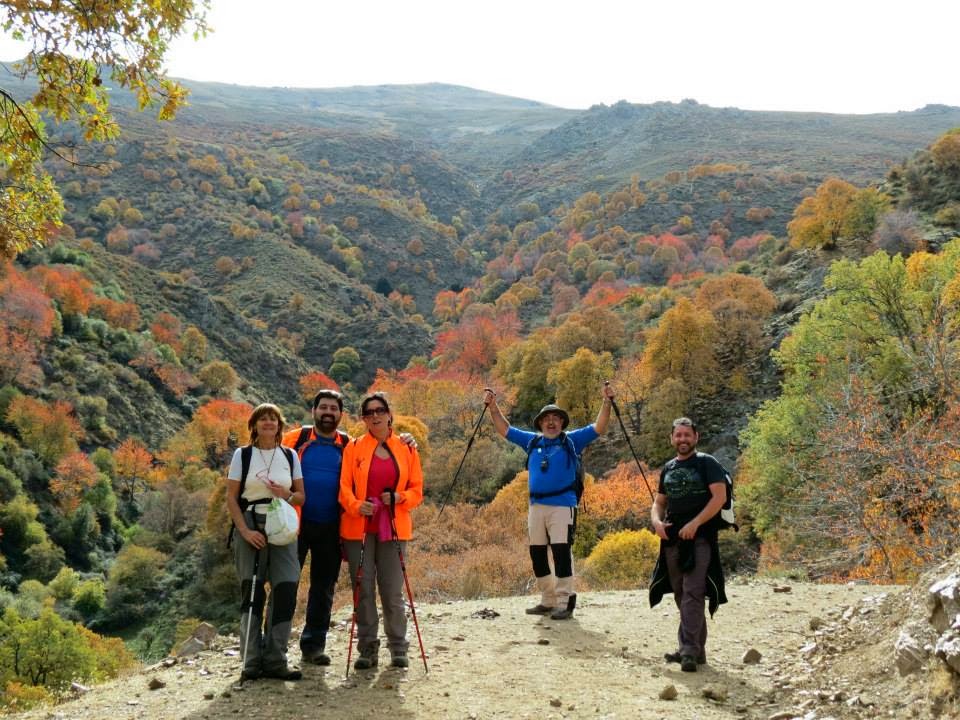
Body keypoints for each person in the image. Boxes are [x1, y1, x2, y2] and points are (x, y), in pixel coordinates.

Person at [483, 383, 614, 620]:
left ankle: (565, 602)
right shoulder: (532, 442)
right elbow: (506, 430)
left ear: (562, 423)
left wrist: (606, 402)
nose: (551, 422)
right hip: (536, 506)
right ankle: (548, 600)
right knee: (537, 553)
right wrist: (493, 407)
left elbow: (599, 427)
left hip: (563, 505)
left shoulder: (572, 440)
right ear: (540, 424)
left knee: (562, 552)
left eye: (555, 418)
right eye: (546, 419)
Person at [339, 392, 424, 670]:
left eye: (379, 410)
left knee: (391, 590)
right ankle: (367, 650)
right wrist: (355, 505)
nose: (374, 416)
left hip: (394, 526)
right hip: (359, 527)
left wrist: (399, 498)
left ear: (389, 414)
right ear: (363, 418)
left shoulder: (407, 447)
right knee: (363, 589)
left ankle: (399, 647)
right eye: (368, 412)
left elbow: (417, 490)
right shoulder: (354, 447)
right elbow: (344, 488)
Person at [225, 403, 305, 681]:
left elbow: (300, 497)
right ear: (254, 425)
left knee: (286, 589)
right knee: (252, 593)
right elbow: (231, 498)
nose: (268, 423)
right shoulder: (242, 455)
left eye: (273, 419)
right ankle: (251, 662)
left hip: (282, 527)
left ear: (280, 425)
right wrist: (245, 532)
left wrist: (285, 493)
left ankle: (276, 659)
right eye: (263, 419)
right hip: (251, 526)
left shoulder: (290, 455)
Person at [648, 416, 728, 673]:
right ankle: (697, 650)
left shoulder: (708, 463)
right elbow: (659, 502)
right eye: (678, 435)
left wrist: (695, 523)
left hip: (701, 537)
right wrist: (656, 522)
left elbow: (719, 497)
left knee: (694, 591)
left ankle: (688, 651)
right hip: (672, 539)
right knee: (682, 594)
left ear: (696, 437)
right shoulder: (668, 468)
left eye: (687, 435)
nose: (682, 439)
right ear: (672, 439)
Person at [280, 389, 349, 666]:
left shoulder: (347, 444)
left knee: (323, 588)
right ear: (314, 411)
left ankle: (313, 646)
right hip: (293, 525)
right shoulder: (294, 440)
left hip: (332, 526)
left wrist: (406, 439)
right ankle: (275, 647)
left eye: (334, 409)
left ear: (341, 415)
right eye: (324, 408)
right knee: (286, 585)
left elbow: (375, 454)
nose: (328, 413)